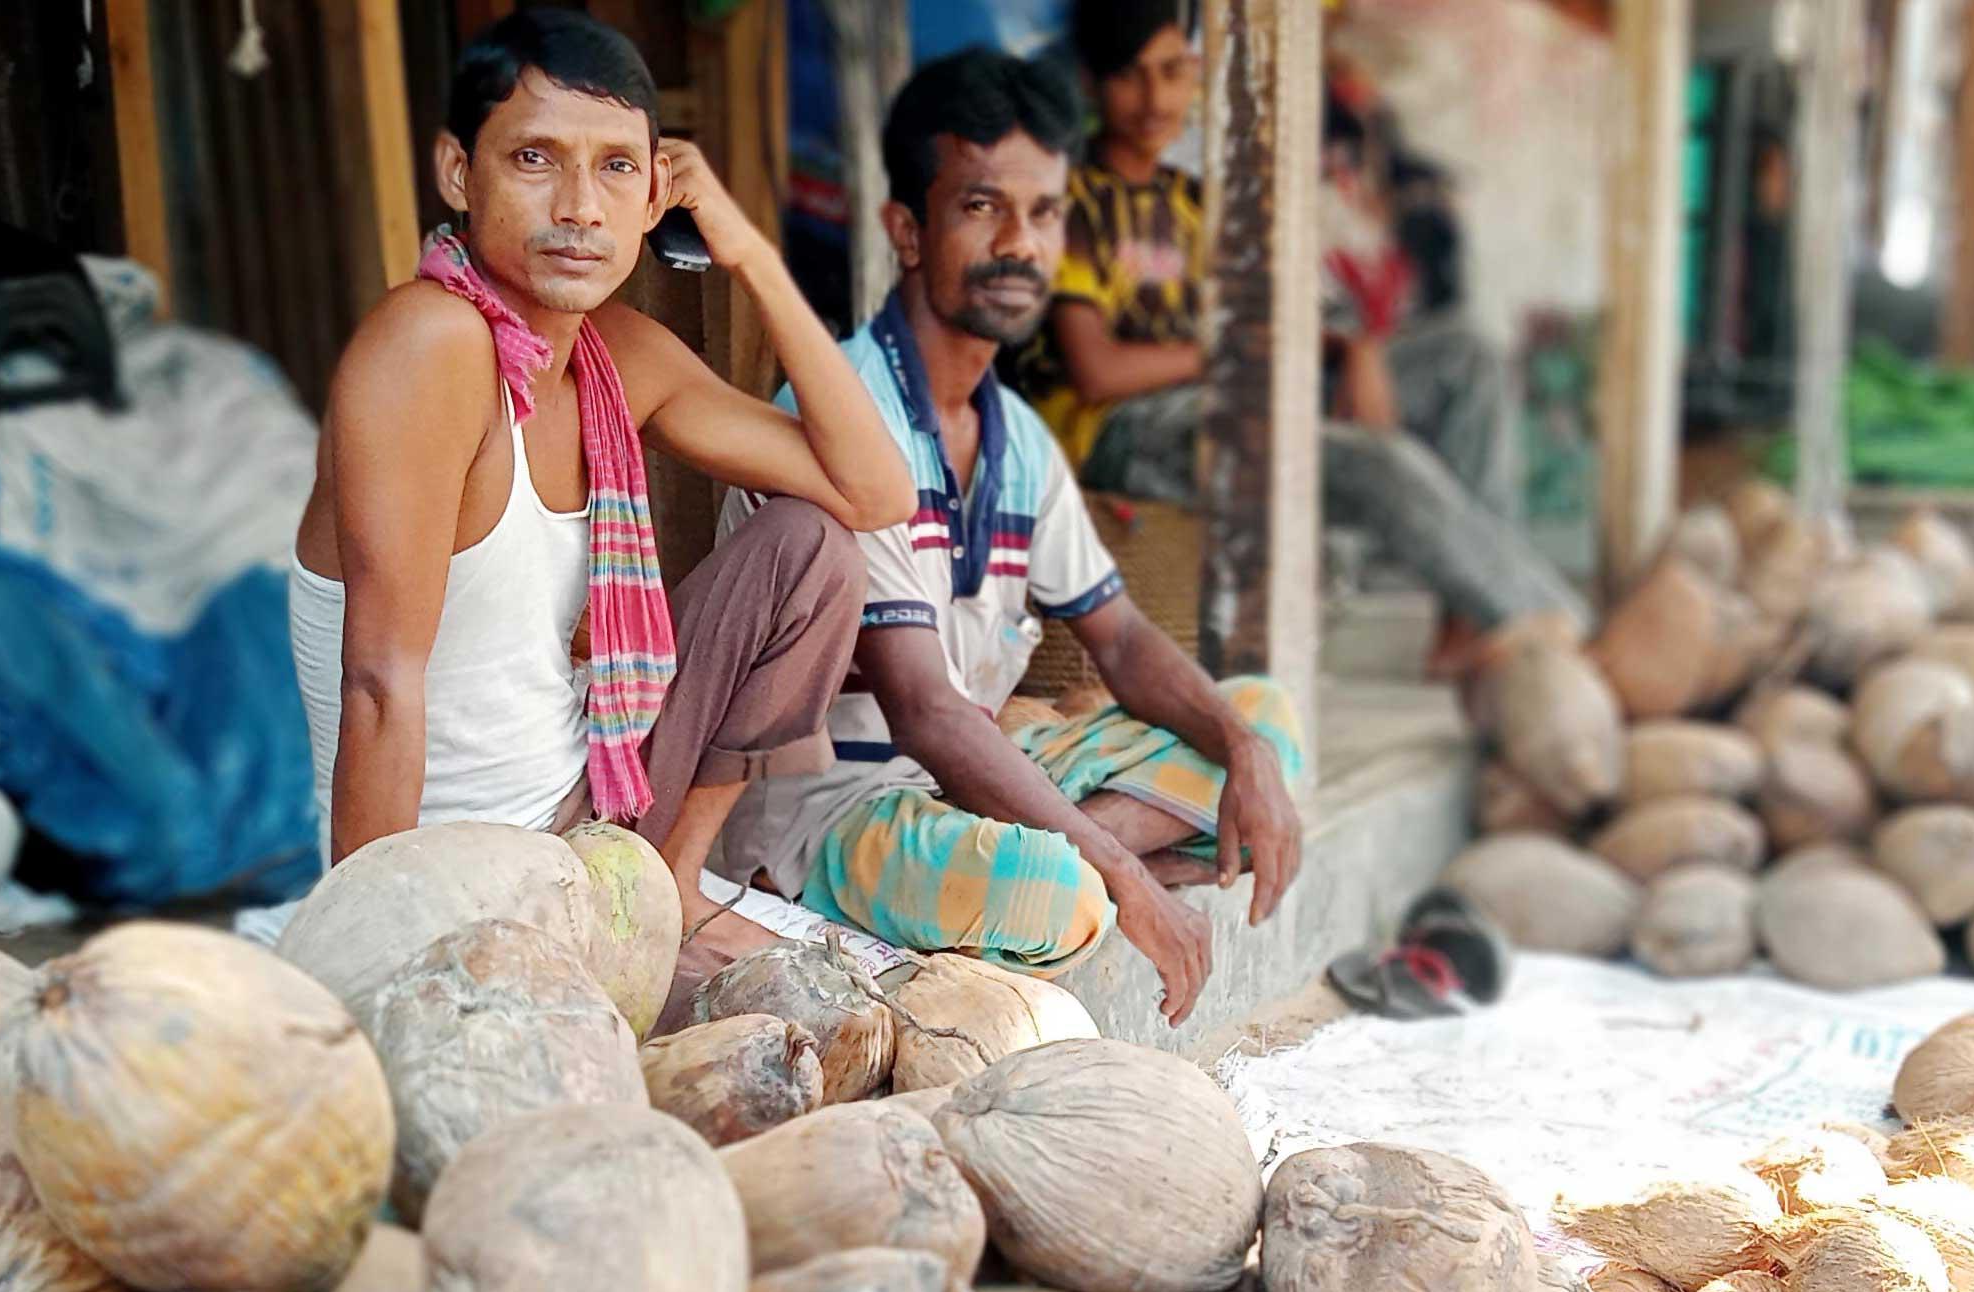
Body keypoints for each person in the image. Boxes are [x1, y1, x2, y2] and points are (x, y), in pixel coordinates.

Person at [289, 7, 914, 987]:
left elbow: (871, 492)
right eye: (536, 159)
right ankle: (638, 926)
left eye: (617, 167)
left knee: (812, 548)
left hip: (596, 819)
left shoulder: (618, 355)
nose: (581, 206)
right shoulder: (427, 350)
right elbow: (378, 689)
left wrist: (750, 254)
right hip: (458, 882)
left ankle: (670, 888)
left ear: (659, 189)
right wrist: (378, 980)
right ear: (460, 174)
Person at [716, 48, 1307, 1027]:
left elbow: (1118, 638)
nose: (1019, 243)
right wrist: (1115, 865)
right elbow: (922, 713)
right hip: (834, 817)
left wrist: (1241, 750)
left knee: (1262, 721)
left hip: (976, 791)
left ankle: (1078, 852)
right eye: (982, 207)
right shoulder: (851, 408)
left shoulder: (1016, 436)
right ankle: (1096, 864)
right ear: (907, 230)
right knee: (1056, 890)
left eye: (1041, 214)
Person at [1019, 2, 1586, 671]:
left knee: (1466, 356)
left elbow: (1279, 314)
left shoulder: (1198, 202)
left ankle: (1470, 618)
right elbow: (1098, 372)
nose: (1155, 98)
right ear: (1090, 83)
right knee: (1378, 462)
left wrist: (1355, 350)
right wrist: (1231, 352)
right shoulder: (1070, 200)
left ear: (1196, 74)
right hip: (1123, 431)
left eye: (1173, 72)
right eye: (1130, 76)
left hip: (1225, 392)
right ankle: (1553, 625)